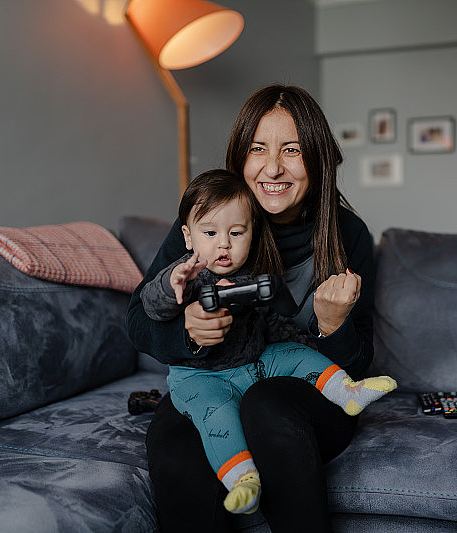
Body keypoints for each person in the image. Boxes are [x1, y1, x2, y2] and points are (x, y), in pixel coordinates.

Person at [127, 84, 377, 532]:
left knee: (266, 403)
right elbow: (138, 319)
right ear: (240, 156)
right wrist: (189, 334)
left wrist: (333, 326)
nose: (272, 167)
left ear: (317, 158)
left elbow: (358, 364)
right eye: (258, 149)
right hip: (217, 379)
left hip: (302, 398)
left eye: (292, 150)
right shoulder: (210, 219)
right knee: (174, 439)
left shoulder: (349, 234)